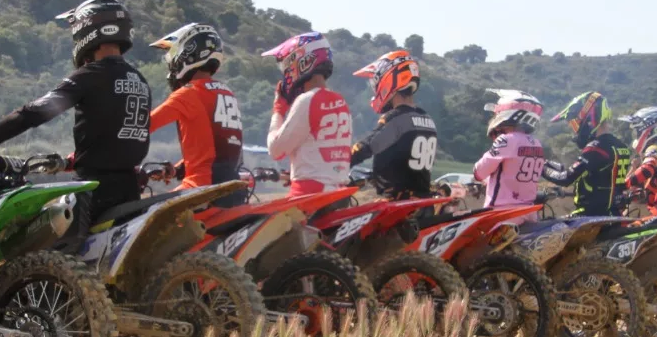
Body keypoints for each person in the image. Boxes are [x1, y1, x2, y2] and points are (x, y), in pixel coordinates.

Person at [0, 0, 151, 223]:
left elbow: (35, 112)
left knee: (41, 249)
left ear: (84, 31)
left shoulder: (92, 75)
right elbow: (115, 129)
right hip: (129, 189)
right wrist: (73, 159)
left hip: (93, 189)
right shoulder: (140, 80)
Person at [148, 23, 245, 204]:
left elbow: (143, 127)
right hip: (233, 188)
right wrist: (177, 169)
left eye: (170, 55)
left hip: (200, 190)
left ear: (185, 53)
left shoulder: (188, 93)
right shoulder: (227, 93)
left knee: (142, 213)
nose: (170, 61)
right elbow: (216, 150)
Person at [262, 32, 353, 197]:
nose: (286, 72)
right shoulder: (341, 102)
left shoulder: (307, 100)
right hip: (339, 192)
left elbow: (276, 150)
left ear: (301, 62)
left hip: (308, 194)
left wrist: (278, 111)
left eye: (286, 66)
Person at [348, 49, 439, 199]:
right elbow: (406, 162)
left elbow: (368, 146)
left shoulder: (396, 118)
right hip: (421, 202)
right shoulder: (427, 119)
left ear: (388, 79)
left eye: (376, 82)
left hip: (397, 205)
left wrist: (339, 161)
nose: (375, 88)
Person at [544, 91, 632, 217]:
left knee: (546, 230)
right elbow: (584, 172)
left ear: (589, 119)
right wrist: (547, 164)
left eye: (575, 123)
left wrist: (540, 168)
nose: (575, 130)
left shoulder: (595, 148)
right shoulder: (620, 146)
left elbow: (565, 178)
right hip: (615, 214)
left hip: (590, 217)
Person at [472, 90, 546, 207]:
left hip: (502, 212)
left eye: (497, 113)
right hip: (528, 210)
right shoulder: (537, 143)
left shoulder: (506, 140)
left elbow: (479, 172)